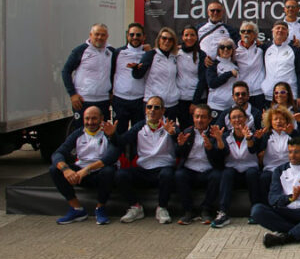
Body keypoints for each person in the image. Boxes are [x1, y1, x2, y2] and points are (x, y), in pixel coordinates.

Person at [49, 106, 118, 225]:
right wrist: (66, 170)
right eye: (87, 119)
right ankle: (77, 209)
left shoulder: (108, 133)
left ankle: (100, 208)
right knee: (54, 169)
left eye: (94, 118)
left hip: (100, 173)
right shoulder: (78, 133)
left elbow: (110, 158)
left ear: (102, 118)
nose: (90, 122)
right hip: (81, 174)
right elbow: (58, 153)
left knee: (109, 171)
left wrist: (87, 169)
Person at [115, 96, 178, 224]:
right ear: (145, 110)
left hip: (163, 168)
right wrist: (112, 135)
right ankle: (135, 207)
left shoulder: (170, 126)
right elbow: (122, 141)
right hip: (143, 169)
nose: (152, 110)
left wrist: (173, 134)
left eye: (156, 107)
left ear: (163, 110)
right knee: (121, 175)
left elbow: (181, 145)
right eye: (149, 107)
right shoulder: (139, 126)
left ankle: (162, 208)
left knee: (167, 174)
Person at [210, 106, 267, 228]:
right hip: (233, 172)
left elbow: (253, 150)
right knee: (227, 173)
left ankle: (255, 211)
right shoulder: (225, 136)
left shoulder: (253, 134)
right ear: (230, 121)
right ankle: (223, 212)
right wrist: (219, 140)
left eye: (240, 116)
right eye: (234, 117)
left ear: (246, 118)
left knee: (252, 173)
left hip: (250, 171)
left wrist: (249, 138)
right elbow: (222, 153)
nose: (237, 120)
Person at [174, 104, 222, 225]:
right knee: (179, 175)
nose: (200, 120)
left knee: (217, 176)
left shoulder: (214, 133)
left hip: (208, 169)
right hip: (190, 169)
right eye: (197, 117)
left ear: (210, 119)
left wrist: (211, 148)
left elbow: (221, 156)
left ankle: (206, 210)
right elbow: (179, 154)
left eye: (203, 117)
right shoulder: (187, 132)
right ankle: (188, 211)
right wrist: (180, 145)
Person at [62, 23, 114, 130]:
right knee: (81, 132)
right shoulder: (80, 51)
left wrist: (111, 92)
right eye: (97, 34)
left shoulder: (112, 52)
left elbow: (115, 73)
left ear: (107, 36)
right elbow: (65, 71)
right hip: (83, 101)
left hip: (103, 100)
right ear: (91, 35)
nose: (99, 37)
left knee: (102, 133)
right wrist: (72, 94)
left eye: (103, 35)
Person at [132, 27, 180, 121]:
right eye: (164, 38)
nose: (167, 41)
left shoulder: (174, 57)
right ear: (159, 40)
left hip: (171, 104)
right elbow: (138, 75)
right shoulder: (151, 55)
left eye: (170, 39)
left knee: (169, 133)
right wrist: (135, 69)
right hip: (153, 105)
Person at [110, 23, 147, 134]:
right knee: (118, 133)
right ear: (127, 36)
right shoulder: (117, 53)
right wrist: (110, 93)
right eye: (132, 34)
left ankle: (134, 152)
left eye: (138, 35)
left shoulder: (148, 54)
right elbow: (110, 73)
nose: (135, 37)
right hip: (120, 100)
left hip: (139, 101)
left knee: (138, 135)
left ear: (144, 37)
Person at [261, 21, 300, 109]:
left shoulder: (295, 48)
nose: (280, 30)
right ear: (272, 31)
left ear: (288, 32)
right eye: (278, 28)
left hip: (290, 95)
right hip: (269, 95)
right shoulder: (266, 47)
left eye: (283, 29)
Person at [258, 106, 300, 198]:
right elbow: (258, 150)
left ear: (287, 120)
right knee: (264, 178)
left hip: (289, 169)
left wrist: (292, 133)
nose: (278, 121)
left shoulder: (293, 134)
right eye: (275, 119)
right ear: (270, 122)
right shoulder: (266, 136)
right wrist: (258, 139)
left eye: (281, 119)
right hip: (270, 169)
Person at [175, 25, 207, 130]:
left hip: (197, 99)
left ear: (197, 37)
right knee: (184, 129)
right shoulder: (176, 53)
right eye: (186, 35)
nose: (189, 38)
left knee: (199, 129)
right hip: (181, 99)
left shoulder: (202, 55)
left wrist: (195, 102)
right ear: (182, 37)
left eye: (192, 35)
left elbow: (202, 80)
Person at [235, 21, 267, 113]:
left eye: (249, 31)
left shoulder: (262, 49)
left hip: (259, 92)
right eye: (243, 31)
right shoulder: (233, 51)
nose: (245, 33)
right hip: (242, 94)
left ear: (255, 34)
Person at [205, 38, 239, 120]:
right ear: (218, 50)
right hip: (216, 107)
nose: (226, 49)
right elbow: (212, 83)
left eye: (229, 47)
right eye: (222, 47)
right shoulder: (213, 64)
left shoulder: (235, 65)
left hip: (231, 107)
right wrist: (229, 74)